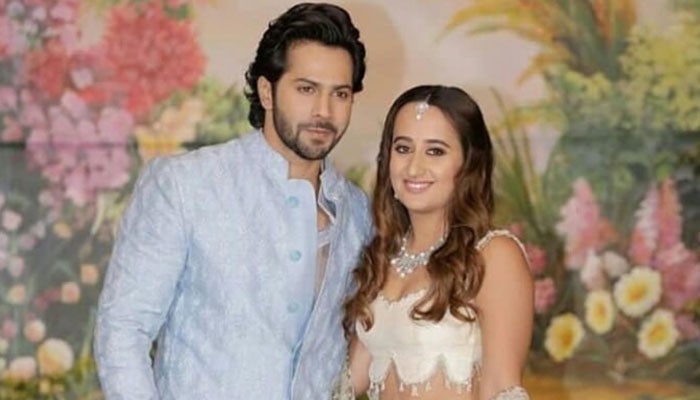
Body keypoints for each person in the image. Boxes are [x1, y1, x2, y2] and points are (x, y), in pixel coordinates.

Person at [94, 3, 372, 399]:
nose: (323, 111)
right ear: (267, 91)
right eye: (306, 89)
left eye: (340, 94)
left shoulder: (359, 213)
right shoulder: (187, 185)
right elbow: (123, 330)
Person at [339, 85, 534, 400]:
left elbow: (502, 385)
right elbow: (345, 384)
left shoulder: (493, 255)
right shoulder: (384, 256)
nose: (414, 167)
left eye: (435, 151)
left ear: (469, 163)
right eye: (403, 148)